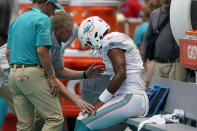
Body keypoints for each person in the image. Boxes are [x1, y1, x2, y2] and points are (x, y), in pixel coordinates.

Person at [75, 16, 149, 130]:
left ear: (94, 34)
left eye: (89, 42)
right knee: (84, 117)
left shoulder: (110, 40)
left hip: (131, 97)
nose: (92, 46)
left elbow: (121, 74)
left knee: (83, 120)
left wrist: (100, 101)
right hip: (131, 97)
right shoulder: (114, 38)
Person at [6, 0, 67, 130]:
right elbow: (41, 50)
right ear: (47, 4)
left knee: (25, 124)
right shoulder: (43, 19)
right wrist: (52, 77)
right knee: (55, 118)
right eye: (53, 8)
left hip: (13, 74)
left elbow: (8, 52)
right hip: (31, 73)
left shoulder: (17, 20)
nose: (53, 13)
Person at [141, 0, 188, 81]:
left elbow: (187, 35)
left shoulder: (180, 14)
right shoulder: (154, 14)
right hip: (158, 65)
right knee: (158, 93)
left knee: (176, 92)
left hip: (176, 65)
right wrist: (143, 60)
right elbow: (147, 39)